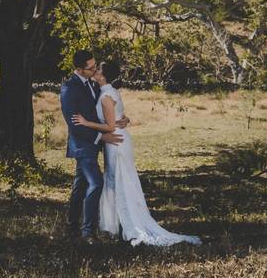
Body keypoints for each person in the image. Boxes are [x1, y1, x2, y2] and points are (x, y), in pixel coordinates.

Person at [73, 61, 201, 247]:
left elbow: (109, 126)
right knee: (116, 181)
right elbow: (117, 117)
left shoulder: (107, 95)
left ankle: (131, 224)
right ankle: (118, 225)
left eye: (98, 69)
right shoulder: (108, 91)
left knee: (121, 181)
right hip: (117, 140)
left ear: (103, 75)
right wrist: (124, 119)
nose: (95, 71)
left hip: (116, 142)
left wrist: (86, 123)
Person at [59, 49, 127, 243]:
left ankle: (71, 225)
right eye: (91, 68)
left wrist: (123, 118)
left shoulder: (93, 84)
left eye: (95, 65)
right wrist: (101, 137)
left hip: (94, 143)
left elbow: (107, 107)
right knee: (96, 183)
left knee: (80, 186)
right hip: (82, 144)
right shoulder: (69, 89)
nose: (95, 69)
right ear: (79, 69)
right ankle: (88, 232)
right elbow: (75, 125)